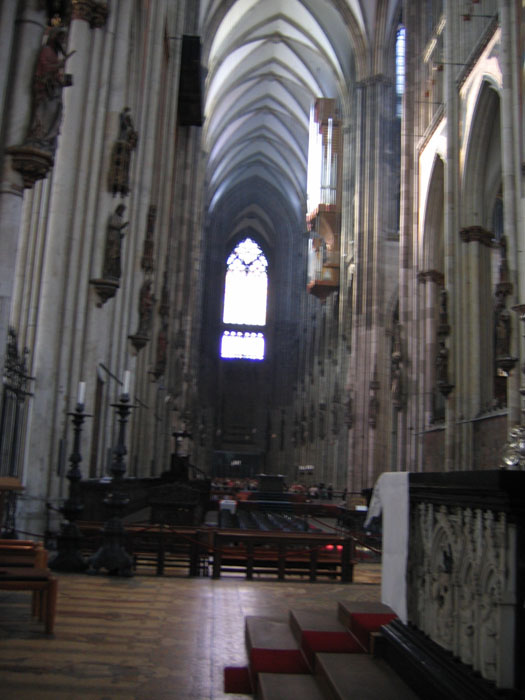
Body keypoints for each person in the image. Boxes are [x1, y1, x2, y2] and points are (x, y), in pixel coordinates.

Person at [26, 27, 74, 154]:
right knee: (45, 114)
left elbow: (55, 74)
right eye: (61, 38)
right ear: (54, 37)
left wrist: (63, 80)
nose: (62, 41)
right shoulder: (47, 50)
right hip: (46, 90)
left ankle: (45, 140)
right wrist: (58, 65)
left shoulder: (54, 54)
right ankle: (39, 136)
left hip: (54, 90)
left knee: (55, 113)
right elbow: (45, 68)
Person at [102, 204, 128, 280]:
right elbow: (112, 225)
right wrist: (121, 226)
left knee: (116, 257)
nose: (122, 212)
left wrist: (121, 235)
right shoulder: (114, 217)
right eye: (122, 210)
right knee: (111, 256)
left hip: (116, 242)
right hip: (112, 240)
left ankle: (113, 272)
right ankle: (109, 270)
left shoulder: (119, 218)